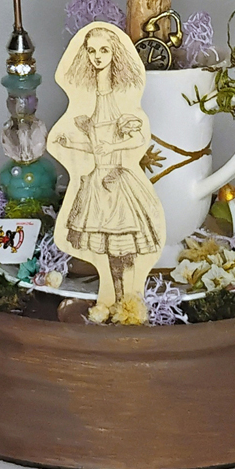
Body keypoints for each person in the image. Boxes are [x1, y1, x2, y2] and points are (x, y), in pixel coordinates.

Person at [54, 27, 162, 302]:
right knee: (104, 249)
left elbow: (138, 138)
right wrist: (69, 144)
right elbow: (94, 146)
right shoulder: (94, 107)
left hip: (116, 182)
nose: (97, 57)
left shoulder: (119, 104)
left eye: (104, 50)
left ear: (115, 54)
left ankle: (128, 299)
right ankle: (113, 296)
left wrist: (112, 147)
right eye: (91, 51)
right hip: (96, 182)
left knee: (122, 247)